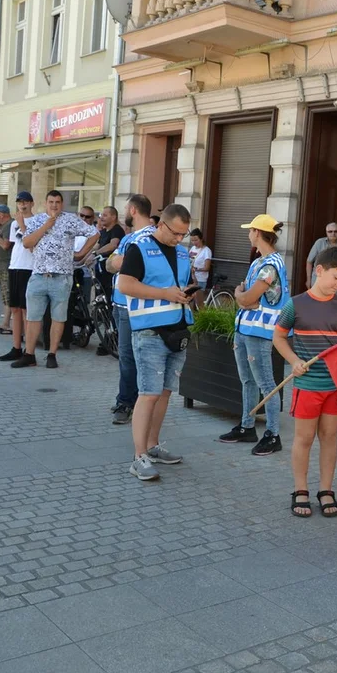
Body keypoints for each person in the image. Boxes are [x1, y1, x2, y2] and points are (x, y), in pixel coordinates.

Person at [273, 247, 337, 518]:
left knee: (330, 437)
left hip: (335, 387)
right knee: (304, 438)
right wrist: (293, 359)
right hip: (308, 385)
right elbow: (278, 337)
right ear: (319, 270)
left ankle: (325, 490)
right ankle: (300, 490)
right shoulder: (295, 304)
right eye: (336, 277)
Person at [116, 204, 194, 481]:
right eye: (176, 233)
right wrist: (165, 293)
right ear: (161, 224)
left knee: (164, 392)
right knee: (148, 393)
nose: (179, 239)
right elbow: (124, 285)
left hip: (178, 330)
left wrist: (186, 295)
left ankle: (153, 444)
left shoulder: (183, 253)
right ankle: (139, 457)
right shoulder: (139, 247)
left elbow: (182, 284)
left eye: (184, 234)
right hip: (149, 332)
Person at [220, 215, 289, 456]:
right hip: (247, 329)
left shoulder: (270, 265)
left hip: (259, 332)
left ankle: (272, 434)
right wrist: (244, 296)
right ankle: (247, 426)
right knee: (248, 380)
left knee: (265, 383)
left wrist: (241, 295)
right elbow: (247, 296)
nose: (248, 234)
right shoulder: (261, 262)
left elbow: (247, 297)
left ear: (258, 233)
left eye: (250, 230)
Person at [12, 190, 99, 369]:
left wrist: (81, 254)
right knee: (33, 317)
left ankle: (52, 354)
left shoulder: (71, 220)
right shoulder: (37, 220)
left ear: (62, 204)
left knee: (58, 318)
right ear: (45, 203)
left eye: (58, 202)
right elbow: (27, 243)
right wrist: (47, 225)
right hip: (38, 275)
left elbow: (94, 233)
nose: (54, 205)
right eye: (51, 202)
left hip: (62, 277)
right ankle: (29, 354)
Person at [106, 194, 154, 425]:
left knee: (128, 356)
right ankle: (126, 398)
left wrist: (117, 261)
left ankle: (127, 402)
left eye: (126, 208)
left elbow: (119, 264)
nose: (125, 211)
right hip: (120, 303)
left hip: (131, 306)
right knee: (126, 356)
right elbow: (110, 264)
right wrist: (117, 261)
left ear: (133, 210)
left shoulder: (146, 237)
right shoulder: (131, 237)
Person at [0, 193, 37, 362]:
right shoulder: (14, 223)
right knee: (15, 308)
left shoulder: (36, 222)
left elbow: (32, 244)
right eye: (20, 202)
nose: (22, 205)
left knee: (26, 310)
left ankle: (29, 350)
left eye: (25, 202)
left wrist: (22, 225)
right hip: (14, 266)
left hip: (28, 268)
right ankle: (16, 347)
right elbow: (15, 245)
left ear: (31, 204)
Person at [305, 223, 337, 288]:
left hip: (336, 281)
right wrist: (308, 279)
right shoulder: (319, 243)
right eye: (330, 231)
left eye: (336, 231)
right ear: (326, 232)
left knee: (333, 298)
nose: (333, 234)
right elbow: (309, 261)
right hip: (318, 279)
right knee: (316, 297)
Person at [0, 207, 14, 333]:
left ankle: (7, 323)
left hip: (7, 263)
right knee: (5, 293)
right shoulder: (5, 225)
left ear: (2, 215)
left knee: (8, 293)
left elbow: (6, 245)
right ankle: (5, 322)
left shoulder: (8, 225)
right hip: (3, 263)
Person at [188, 229, 212, 309]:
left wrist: (196, 268)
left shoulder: (206, 251)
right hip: (191, 278)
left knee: (199, 304)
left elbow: (207, 268)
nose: (194, 242)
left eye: (196, 240)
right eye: (192, 240)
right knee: (190, 303)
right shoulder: (192, 249)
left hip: (200, 279)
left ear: (201, 239)